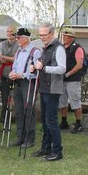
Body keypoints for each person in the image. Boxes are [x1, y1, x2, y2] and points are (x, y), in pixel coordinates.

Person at [30, 23, 66, 161]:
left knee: (51, 121)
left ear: (52, 34)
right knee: (45, 121)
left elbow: (62, 68)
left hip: (53, 88)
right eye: (40, 35)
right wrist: (35, 67)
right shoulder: (45, 48)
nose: (42, 37)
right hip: (44, 87)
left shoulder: (58, 48)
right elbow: (41, 64)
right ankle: (46, 147)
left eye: (45, 35)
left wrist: (44, 68)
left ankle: (57, 151)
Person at [9, 28, 41, 148]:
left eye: (18, 37)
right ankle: (20, 137)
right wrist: (12, 73)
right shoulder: (18, 51)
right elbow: (15, 66)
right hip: (18, 82)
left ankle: (29, 138)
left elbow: (37, 70)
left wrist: (22, 75)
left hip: (28, 83)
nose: (16, 39)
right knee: (19, 110)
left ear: (26, 38)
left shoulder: (35, 51)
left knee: (29, 111)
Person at [59, 30, 85, 133]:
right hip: (61, 79)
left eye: (66, 36)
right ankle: (64, 121)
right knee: (62, 101)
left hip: (73, 80)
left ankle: (79, 123)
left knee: (75, 101)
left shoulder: (77, 48)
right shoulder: (61, 48)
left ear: (71, 38)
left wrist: (68, 74)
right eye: (63, 36)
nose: (64, 38)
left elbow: (79, 65)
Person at [0, 26, 18, 121]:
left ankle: (13, 117)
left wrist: (5, 58)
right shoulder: (2, 44)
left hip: (15, 76)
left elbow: (16, 59)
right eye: (8, 31)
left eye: (11, 31)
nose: (9, 33)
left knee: (15, 98)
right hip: (4, 76)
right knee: (4, 98)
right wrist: (10, 58)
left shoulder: (18, 45)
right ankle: (3, 117)